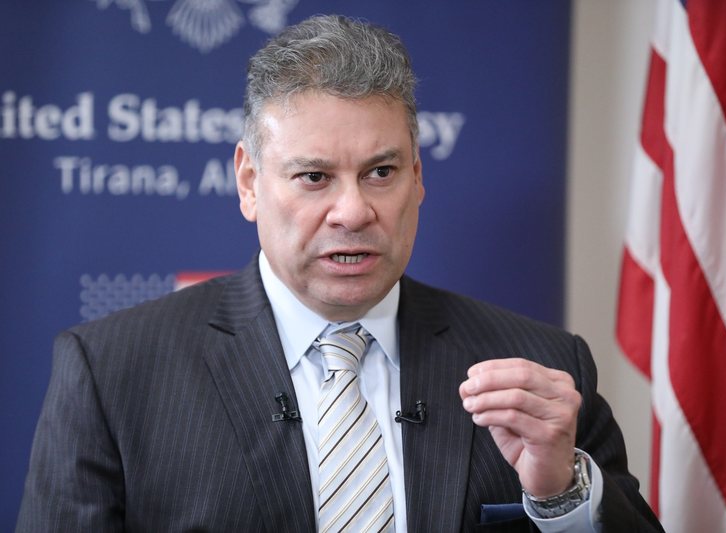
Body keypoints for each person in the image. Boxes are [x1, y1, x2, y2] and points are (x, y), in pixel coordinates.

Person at [17, 14, 662, 533]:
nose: (353, 211)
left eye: (381, 172)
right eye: (314, 176)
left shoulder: (543, 365)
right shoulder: (111, 373)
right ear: (249, 182)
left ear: (417, 177)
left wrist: (560, 496)